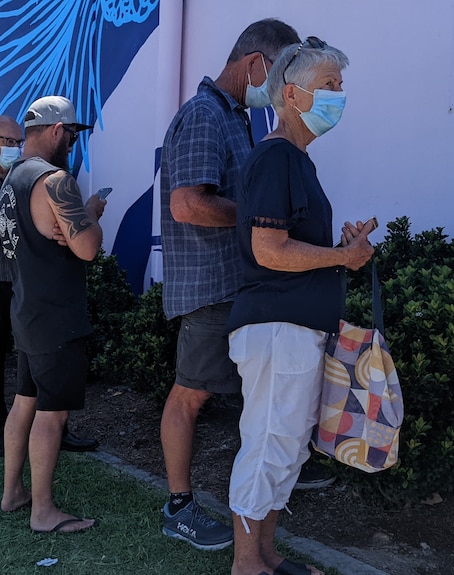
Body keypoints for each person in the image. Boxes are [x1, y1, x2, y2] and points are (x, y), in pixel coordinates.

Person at [225, 37, 373, 575]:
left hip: (293, 329)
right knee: (268, 445)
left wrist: (342, 252)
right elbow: (269, 249)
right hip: (277, 328)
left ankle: (265, 554)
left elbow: (289, 243)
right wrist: (341, 254)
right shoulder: (277, 158)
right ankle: (248, 564)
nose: (340, 95)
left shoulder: (295, 160)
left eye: (340, 85)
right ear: (293, 94)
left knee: (284, 447)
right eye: (329, 85)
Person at [158, 18, 300, 551]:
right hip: (209, 289)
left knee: (248, 395)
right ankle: (178, 506)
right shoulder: (202, 115)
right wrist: (257, 223)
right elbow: (187, 202)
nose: (283, 85)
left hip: (233, 286)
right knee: (190, 395)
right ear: (255, 63)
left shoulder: (233, 115)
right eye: (280, 71)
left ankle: (272, 476)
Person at [0, 115, 98, 456]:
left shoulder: (24, 175)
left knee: (36, 368)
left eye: (18, 142)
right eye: (7, 141)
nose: (14, 148)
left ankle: (55, 429)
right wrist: (12, 228)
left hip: (22, 281)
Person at [0, 95, 104, 533]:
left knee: (25, 402)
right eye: (73, 134)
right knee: (52, 412)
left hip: (25, 309)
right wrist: (91, 215)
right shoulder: (57, 180)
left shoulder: (10, 181)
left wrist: (74, 224)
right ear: (58, 130)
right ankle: (43, 511)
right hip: (56, 316)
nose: (74, 144)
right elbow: (88, 248)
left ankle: (12, 492)